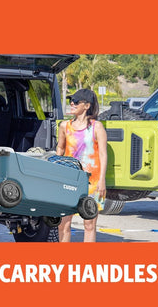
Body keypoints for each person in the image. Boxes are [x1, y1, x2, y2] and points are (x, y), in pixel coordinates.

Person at [56, 89, 107, 243]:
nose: (72, 103)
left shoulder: (97, 127)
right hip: (68, 181)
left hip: (92, 183)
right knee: (63, 225)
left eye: (76, 101)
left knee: (89, 225)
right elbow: (60, 149)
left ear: (86, 105)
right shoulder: (65, 126)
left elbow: (103, 155)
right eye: (71, 100)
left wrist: (102, 181)